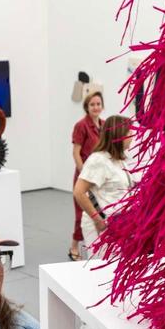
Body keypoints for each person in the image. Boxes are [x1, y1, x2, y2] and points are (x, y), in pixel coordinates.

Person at [73, 114, 134, 329]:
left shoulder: (120, 160)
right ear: (118, 135)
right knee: (98, 271)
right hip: (100, 227)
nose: (132, 137)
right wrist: (98, 219)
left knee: (111, 271)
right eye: (129, 133)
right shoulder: (98, 160)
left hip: (117, 227)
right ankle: (87, 322)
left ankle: (103, 318)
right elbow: (79, 192)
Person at [69, 89, 104, 261]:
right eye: (92, 104)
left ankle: (95, 246)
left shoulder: (104, 125)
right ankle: (74, 247)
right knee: (80, 213)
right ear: (86, 107)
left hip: (99, 178)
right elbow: (76, 152)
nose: (96, 107)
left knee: (97, 211)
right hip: (84, 176)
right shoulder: (81, 126)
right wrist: (84, 173)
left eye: (98, 104)